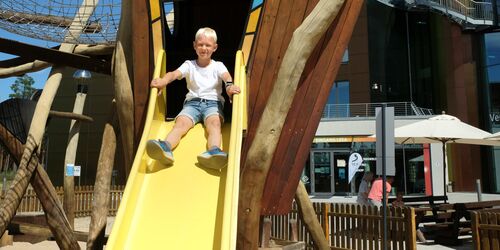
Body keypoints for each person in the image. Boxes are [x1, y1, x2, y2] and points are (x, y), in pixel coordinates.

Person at [146, 27, 241, 169]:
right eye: (200, 44)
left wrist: (229, 87)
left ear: (214, 47)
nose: (204, 48)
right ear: (194, 46)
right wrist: (163, 81)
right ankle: (166, 147)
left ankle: (214, 151)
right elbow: (173, 74)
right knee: (181, 124)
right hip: (192, 104)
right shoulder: (189, 65)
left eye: (208, 45)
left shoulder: (218, 66)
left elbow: (226, 77)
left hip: (213, 104)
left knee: (214, 124)